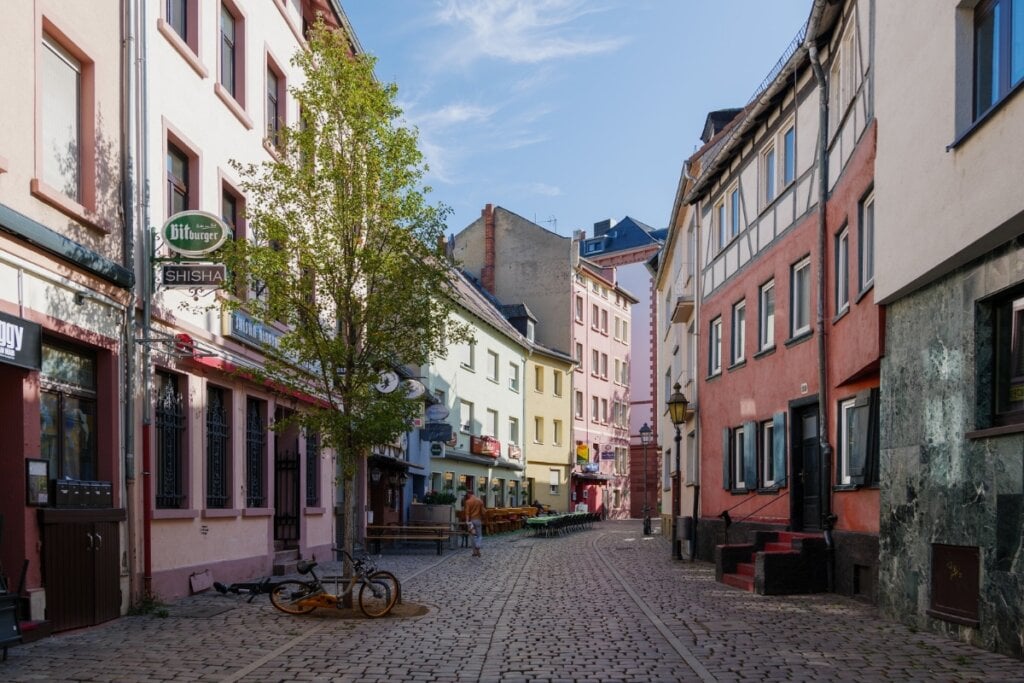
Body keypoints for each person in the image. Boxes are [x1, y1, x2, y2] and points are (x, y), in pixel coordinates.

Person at [463, 491, 485, 557]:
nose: (467, 496)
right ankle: (478, 546)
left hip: (471, 521)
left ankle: (474, 552)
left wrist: (467, 521)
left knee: (472, 536)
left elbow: (467, 513)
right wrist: (483, 519)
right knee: (479, 535)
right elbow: (483, 511)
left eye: (467, 495)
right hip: (478, 519)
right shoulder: (480, 501)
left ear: (469, 494)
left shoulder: (468, 502)